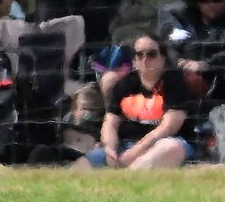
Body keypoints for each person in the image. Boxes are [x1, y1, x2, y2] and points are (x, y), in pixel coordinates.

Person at [82, 36, 197, 169]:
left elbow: (169, 128)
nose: (145, 59)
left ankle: (126, 178)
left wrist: (136, 151)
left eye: (151, 54)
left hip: (164, 143)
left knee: (170, 147)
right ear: (134, 60)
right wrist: (110, 150)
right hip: (125, 145)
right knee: (86, 162)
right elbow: (110, 122)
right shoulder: (124, 84)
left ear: (163, 58)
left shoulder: (176, 84)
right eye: (139, 54)